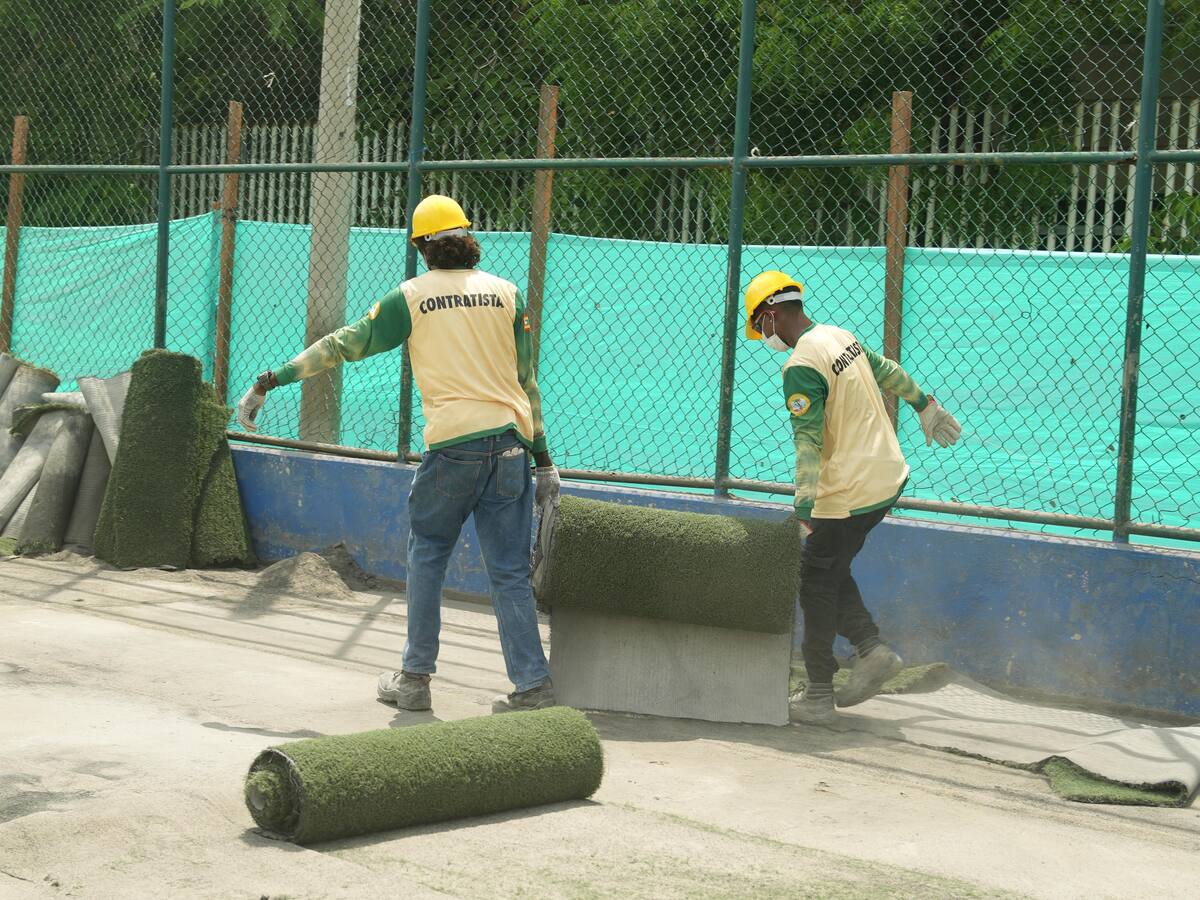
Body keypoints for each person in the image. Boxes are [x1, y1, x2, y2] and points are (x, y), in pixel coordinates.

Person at [236, 194, 560, 714]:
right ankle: (533, 687)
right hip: (508, 448)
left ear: (421, 248)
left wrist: (270, 380)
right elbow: (526, 381)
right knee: (508, 571)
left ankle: (415, 679)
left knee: (429, 554)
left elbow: (343, 344)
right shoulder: (506, 293)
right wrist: (543, 460)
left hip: (452, 450)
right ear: (467, 237)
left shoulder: (409, 298)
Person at [744, 270, 962, 724]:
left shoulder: (801, 364)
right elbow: (889, 372)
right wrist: (927, 405)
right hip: (887, 479)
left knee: (815, 579)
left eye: (760, 326)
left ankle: (821, 693)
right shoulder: (839, 336)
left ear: (771, 314)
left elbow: (808, 443)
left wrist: (804, 513)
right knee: (829, 565)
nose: (764, 336)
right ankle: (871, 649)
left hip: (849, 490)